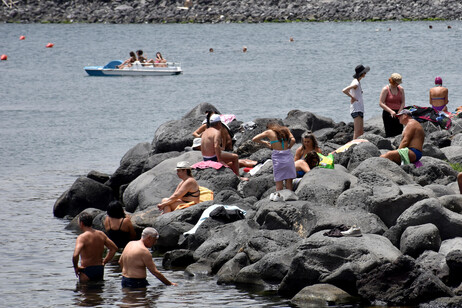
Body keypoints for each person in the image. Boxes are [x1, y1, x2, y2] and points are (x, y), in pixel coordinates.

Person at [72, 212, 118, 282]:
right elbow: (114, 248)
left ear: (81, 223)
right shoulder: (101, 234)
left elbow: (75, 255)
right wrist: (105, 261)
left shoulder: (82, 237)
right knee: (98, 291)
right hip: (99, 269)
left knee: (85, 291)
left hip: (86, 270)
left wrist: (76, 267)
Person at [252, 122, 296, 190]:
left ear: (269, 127)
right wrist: (289, 147)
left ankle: (279, 197)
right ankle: (290, 196)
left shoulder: (269, 132)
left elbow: (254, 139)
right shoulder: (286, 129)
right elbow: (293, 140)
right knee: (289, 180)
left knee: (279, 180)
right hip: (288, 156)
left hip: (278, 158)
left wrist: (265, 142)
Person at [201, 114, 242, 178]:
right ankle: (238, 176)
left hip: (205, 157)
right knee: (235, 157)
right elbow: (216, 146)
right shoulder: (216, 132)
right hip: (212, 157)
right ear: (219, 123)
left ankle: (232, 171)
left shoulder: (205, 132)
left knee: (229, 160)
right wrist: (219, 160)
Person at [342, 64, 370, 140]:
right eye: (364, 72)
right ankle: (354, 147)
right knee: (357, 132)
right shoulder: (356, 83)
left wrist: (354, 96)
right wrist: (352, 97)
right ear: (362, 73)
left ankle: (357, 145)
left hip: (359, 108)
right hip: (356, 109)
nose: (365, 74)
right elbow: (344, 90)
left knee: (360, 131)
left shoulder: (357, 82)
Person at [379, 73, 406, 137]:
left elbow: (403, 102)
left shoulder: (401, 89)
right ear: (392, 81)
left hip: (398, 113)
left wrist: (400, 111)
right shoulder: (386, 89)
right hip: (388, 113)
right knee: (390, 134)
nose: (398, 84)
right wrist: (391, 111)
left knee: (399, 133)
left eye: (398, 83)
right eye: (396, 83)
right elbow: (381, 103)